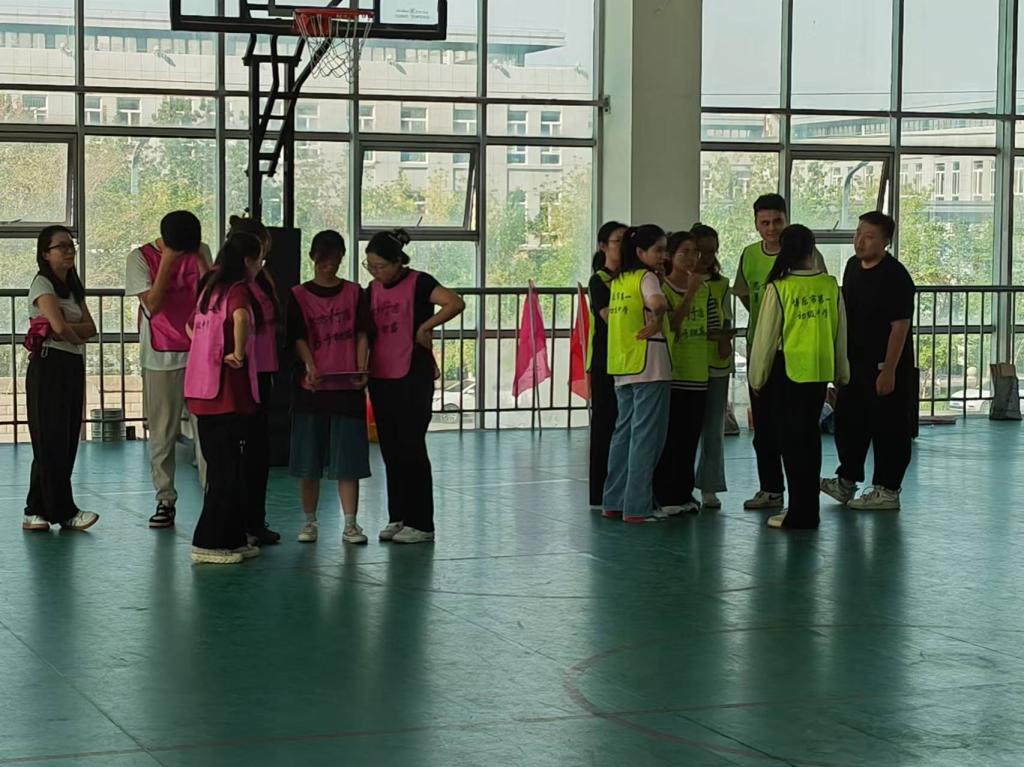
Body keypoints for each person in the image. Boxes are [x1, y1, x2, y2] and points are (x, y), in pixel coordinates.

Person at [365, 229, 465, 544]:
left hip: (412, 375)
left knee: (411, 447)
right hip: (381, 376)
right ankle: (398, 516)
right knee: (391, 449)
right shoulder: (372, 290)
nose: (375, 272)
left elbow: (454, 302)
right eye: (370, 266)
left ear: (398, 262)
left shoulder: (419, 282)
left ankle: (421, 523)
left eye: (380, 266)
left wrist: (426, 326)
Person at [748, 225, 848, 530]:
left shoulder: (779, 287)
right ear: (812, 248)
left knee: (791, 444)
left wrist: (756, 377)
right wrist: (841, 372)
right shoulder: (829, 285)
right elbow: (840, 332)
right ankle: (808, 509)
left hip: (787, 372)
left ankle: (799, 513)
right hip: (818, 373)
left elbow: (765, 339)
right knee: (809, 441)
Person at [734, 194, 827, 512]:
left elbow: (820, 293)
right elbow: (745, 294)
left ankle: (803, 497)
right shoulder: (749, 255)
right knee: (764, 425)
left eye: (777, 221)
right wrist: (765, 325)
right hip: (761, 348)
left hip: (799, 352)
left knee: (799, 429)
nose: (771, 228)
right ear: (756, 224)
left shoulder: (808, 255)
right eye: (765, 222)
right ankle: (771, 488)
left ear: (787, 221)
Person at [821, 212, 915, 511]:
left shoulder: (895, 276)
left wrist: (889, 370)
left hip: (884, 365)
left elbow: (899, 326)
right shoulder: (852, 267)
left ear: (886, 242)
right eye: (858, 234)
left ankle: (887, 490)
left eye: (869, 236)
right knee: (849, 423)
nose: (860, 241)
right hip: (855, 363)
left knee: (888, 427)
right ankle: (846, 481)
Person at [126, 211, 211, 529]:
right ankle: (165, 498)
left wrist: (200, 260)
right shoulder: (139, 258)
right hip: (160, 356)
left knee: (207, 431)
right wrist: (169, 261)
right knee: (162, 432)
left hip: (199, 354)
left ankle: (212, 495)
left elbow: (211, 296)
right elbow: (153, 304)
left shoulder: (200, 251)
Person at [184, 231, 265, 564]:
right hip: (226, 391)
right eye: (259, 261)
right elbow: (241, 318)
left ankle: (232, 538)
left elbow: (190, 327)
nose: (260, 267)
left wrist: (206, 351)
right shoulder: (238, 289)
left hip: (203, 390)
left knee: (225, 468)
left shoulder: (209, 288)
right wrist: (238, 352)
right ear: (247, 261)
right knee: (225, 472)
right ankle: (208, 542)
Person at [288, 230, 372, 545]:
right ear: (313, 258)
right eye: (323, 261)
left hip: (347, 388)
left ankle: (351, 523)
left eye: (335, 260)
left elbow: (362, 333)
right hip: (311, 389)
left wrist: (361, 368)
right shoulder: (298, 295)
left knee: (348, 461)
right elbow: (297, 337)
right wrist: (310, 366)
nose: (329, 267)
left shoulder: (354, 292)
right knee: (308, 461)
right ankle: (309, 522)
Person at [22, 226, 99, 532]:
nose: (69, 251)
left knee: (65, 439)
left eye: (71, 246)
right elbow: (58, 327)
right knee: (50, 439)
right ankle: (65, 511)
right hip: (49, 365)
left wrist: (67, 330)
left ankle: (35, 510)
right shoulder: (42, 284)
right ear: (45, 253)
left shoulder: (73, 287)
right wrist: (71, 331)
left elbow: (90, 327)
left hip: (71, 364)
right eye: (61, 246)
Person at [602, 225, 674, 524]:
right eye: (658, 250)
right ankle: (638, 507)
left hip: (622, 364)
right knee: (646, 437)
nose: (663, 255)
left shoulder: (620, 280)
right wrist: (659, 318)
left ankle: (614, 501)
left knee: (623, 436)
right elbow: (658, 302)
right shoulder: (646, 278)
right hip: (650, 365)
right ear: (641, 252)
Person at [227, 216, 281, 546]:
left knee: (259, 451)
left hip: (264, 371)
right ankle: (239, 522)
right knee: (242, 451)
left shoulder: (259, 279)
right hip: (243, 373)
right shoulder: (230, 284)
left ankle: (255, 520)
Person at [653, 230, 708, 515]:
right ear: (670, 256)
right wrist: (689, 294)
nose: (690, 258)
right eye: (683, 252)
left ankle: (685, 492)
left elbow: (713, 324)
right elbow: (672, 325)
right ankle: (667, 495)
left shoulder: (705, 287)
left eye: (694, 253)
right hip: (674, 372)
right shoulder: (662, 289)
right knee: (671, 437)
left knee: (690, 438)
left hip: (699, 372)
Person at [691, 224, 735, 510]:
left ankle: (709, 486)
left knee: (713, 428)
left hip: (716, 362)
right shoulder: (677, 282)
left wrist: (724, 341)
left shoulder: (721, 283)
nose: (706, 258)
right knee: (686, 428)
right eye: (700, 252)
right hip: (688, 363)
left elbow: (726, 317)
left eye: (711, 252)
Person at [586, 220, 627, 507]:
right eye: (617, 241)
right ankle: (600, 491)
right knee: (605, 424)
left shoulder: (635, 277)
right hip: (605, 361)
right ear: (603, 246)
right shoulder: (599, 280)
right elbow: (609, 318)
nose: (623, 246)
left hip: (630, 359)